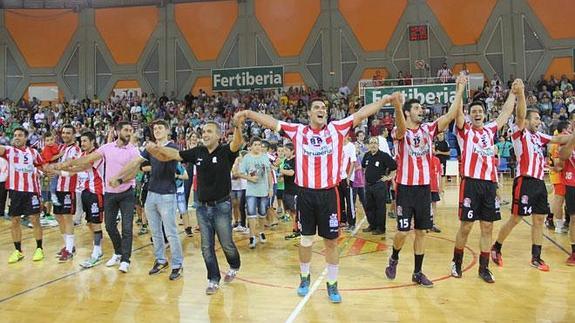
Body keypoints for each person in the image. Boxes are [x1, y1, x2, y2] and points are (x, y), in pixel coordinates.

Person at [234, 92, 403, 303]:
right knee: (305, 240)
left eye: (324, 108)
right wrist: (249, 113)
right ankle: (304, 277)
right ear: (308, 113)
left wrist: (385, 101)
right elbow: (272, 122)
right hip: (305, 195)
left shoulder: (336, 128)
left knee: (331, 242)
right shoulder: (298, 131)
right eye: (317, 108)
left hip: (328, 194)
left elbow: (361, 114)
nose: (321, 110)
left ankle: (332, 284)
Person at [145, 118, 244, 295]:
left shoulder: (225, 152)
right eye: (203, 132)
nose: (205, 134)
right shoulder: (198, 152)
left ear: (219, 136)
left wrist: (237, 126)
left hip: (221, 206)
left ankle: (234, 265)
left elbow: (237, 142)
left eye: (209, 132)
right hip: (202, 207)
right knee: (206, 246)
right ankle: (213, 279)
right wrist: (158, 149)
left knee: (227, 243)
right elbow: (176, 154)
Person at [385, 75, 466, 288]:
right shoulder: (399, 131)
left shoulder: (429, 130)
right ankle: (394, 257)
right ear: (408, 112)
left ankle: (417, 272)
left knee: (421, 232)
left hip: (423, 189)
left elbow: (449, 116)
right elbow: (401, 129)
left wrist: (460, 90)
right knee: (403, 231)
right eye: (417, 108)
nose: (421, 111)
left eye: (422, 108)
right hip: (405, 189)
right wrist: (398, 106)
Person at [450, 79, 519, 284]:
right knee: (466, 227)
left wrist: (514, 93)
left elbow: (505, 113)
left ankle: (484, 268)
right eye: (474, 111)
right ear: (470, 115)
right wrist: (460, 88)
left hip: (489, 184)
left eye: (480, 111)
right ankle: (456, 262)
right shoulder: (464, 131)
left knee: (487, 227)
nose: (477, 114)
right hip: (470, 183)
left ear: (484, 114)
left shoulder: (490, 130)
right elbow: (457, 112)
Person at [491, 98, 571, 272]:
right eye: (535, 118)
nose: (539, 121)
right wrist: (520, 94)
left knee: (539, 220)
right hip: (524, 181)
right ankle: (496, 247)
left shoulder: (539, 136)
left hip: (539, 182)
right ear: (526, 121)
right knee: (516, 218)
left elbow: (558, 138)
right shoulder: (520, 133)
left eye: (539, 118)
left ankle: (536, 257)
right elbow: (520, 114)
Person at [55, 121, 140, 273]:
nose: (129, 133)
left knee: (127, 228)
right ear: (118, 132)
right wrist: (68, 164)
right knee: (109, 226)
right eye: (126, 130)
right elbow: (87, 159)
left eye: (131, 130)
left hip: (126, 192)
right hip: (110, 193)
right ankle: (118, 252)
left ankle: (125, 260)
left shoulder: (133, 150)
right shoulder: (107, 148)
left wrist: (120, 180)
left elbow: (134, 171)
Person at [109, 120, 184, 280]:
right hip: (151, 193)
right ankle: (161, 260)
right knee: (155, 231)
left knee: (170, 232)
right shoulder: (150, 148)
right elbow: (135, 162)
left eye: (160, 128)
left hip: (167, 194)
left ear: (168, 130)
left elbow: (163, 157)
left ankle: (177, 264)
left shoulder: (172, 147)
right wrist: (119, 177)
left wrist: (151, 149)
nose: (156, 130)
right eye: (155, 128)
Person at [52, 131, 105, 268]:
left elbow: (83, 166)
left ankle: (97, 251)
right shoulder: (82, 155)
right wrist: (55, 171)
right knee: (89, 223)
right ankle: (97, 247)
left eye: (85, 141)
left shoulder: (96, 154)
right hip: (84, 192)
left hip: (95, 191)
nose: (83, 144)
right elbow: (73, 172)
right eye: (81, 141)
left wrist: (63, 164)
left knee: (96, 223)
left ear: (93, 141)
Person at [3, 128, 46, 264]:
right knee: (15, 220)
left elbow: (42, 166)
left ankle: (39, 248)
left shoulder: (33, 152)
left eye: (20, 135)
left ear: (26, 138)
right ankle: (18, 251)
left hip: (31, 191)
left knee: (34, 219)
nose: (17, 137)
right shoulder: (9, 151)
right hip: (15, 191)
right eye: (15, 135)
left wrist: (44, 172)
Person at [53, 124, 82, 262]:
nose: (65, 135)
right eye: (63, 132)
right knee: (58, 216)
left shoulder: (76, 150)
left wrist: (55, 171)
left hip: (69, 188)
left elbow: (73, 172)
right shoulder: (62, 148)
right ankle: (68, 245)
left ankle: (69, 250)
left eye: (68, 133)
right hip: (58, 187)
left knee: (67, 217)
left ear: (74, 135)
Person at [237, 137, 273, 249]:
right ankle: (252, 236)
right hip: (251, 190)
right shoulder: (247, 158)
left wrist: (271, 188)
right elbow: (240, 173)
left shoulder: (264, 157)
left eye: (259, 144)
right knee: (251, 214)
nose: (258, 147)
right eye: (255, 144)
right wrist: (250, 178)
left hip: (263, 190)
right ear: (251, 146)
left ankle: (261, 231)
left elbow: (268, 173)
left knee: (262, 213)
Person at [362, 137, 397, 235]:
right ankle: (372, 225)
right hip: (368, 186)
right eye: (371, 143)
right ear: (368, 145)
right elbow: (364, 167)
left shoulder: (383, 156)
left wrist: (388, 177)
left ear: (378, 145)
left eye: (375, 143)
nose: (373, 145)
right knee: (369, 207)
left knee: (380, 207)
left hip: (379, 185)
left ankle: (380, 228)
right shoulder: (366, 155)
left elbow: (394, 167)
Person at [548, 121, 572, 233]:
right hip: (559, 174)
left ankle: (554, 220)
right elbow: (557, 163)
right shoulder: (560, 141)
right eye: (570, 128)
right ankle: (558, 224)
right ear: (564, 130)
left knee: (560, 200)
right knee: (559, 200)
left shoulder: (557, 138)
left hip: (558, 174)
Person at [559, 132, 575, 265]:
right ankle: (574, 252)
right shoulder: (567, 140)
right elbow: (563, 156)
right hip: (572, 183)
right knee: (574, 219)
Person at [281, 143, 300, 239]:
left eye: (286, 150)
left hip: (294, 189)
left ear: (292, 151)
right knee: (290, 211)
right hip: (286, 188)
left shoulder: (295, 160)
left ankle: (297, 230)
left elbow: (292, 172)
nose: (284, 152)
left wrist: (280, 170)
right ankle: (296, 229)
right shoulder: (285, 160)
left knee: (295, 211)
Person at [339, 135, 357, 230]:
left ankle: (352, 222)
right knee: (340, 200)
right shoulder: (338, 146)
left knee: (349, 201)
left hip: (347, 177)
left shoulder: (351, 146)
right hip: (338, 178)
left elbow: (353, 162)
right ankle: (343, 221)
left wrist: (349, 177)